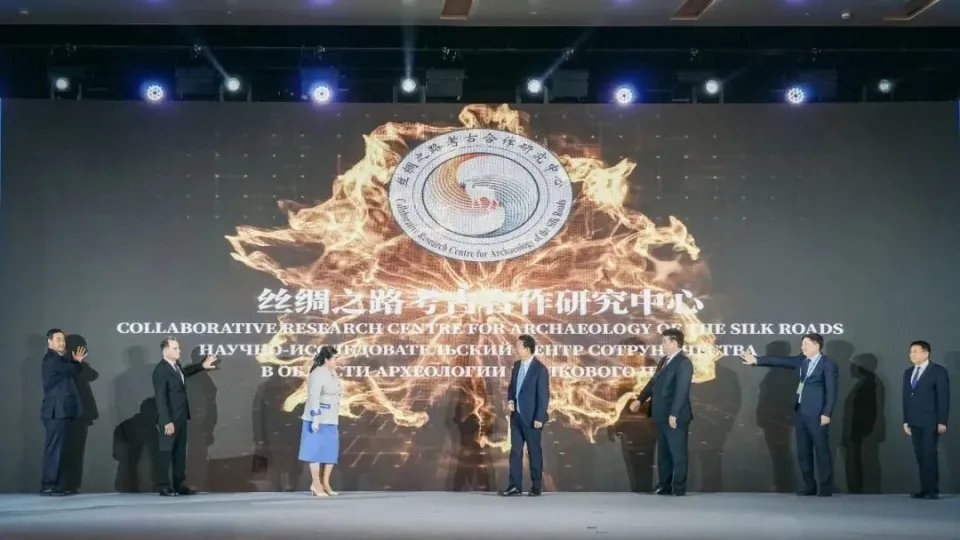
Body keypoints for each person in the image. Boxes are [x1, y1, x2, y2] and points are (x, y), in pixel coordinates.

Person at [740, 332, 837, 496]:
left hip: (817, 414)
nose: (802, 347)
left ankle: (826, 487)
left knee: (821, 451)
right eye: (802, 344)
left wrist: (827, 412)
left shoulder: (827, 364)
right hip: (800, 413)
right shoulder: (801, 361)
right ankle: (809, 486)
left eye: (806, 344)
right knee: (803, 452)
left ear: (816, 345)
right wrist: (757, 360)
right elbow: (780, 361)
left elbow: (832, 391)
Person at [629, 328, 693, 496]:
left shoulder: (683, 363)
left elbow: (681, 391)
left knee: (677, 454)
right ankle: (664, 486)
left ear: (674, 342)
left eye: (664, 341)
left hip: (674, 417)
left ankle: (678, 487)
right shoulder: (664, 361)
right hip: (660, 414)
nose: (662, 344)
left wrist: (674, 414)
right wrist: (640, 399)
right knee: (663, 453)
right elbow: (653, 383)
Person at [152, 336, 219, 496]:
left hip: (182, 416)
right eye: (175, 348)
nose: (179, 351)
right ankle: (164, 486)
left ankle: (179, 484)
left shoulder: (176, 367)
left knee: (180, 452)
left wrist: (201, 366)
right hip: (170, 419)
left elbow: (185, 373)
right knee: (166, 452)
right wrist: (166, 421)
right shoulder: (161, 370)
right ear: (166, 350)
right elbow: (161, 398)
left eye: (178, 348)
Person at [499, 334, 550, 497]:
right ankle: (514, 485)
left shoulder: (540, 369)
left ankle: (536, 486)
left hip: (532, 418)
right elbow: (512, 388)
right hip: (516, 417)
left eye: (518, 346)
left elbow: (543, 396)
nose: (516, 349)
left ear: (527, 349)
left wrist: (539, 418)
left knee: (534, 452)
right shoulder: (516, 366)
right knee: (515, 452)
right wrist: (511, 400)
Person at [40, 328, 88, 496]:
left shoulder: (60, 360)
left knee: (61, 449)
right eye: (58, 339)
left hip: (62, 411)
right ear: (50, 342)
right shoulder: (52, 359)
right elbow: (72, 370)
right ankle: (49, 485)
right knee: (55, 449)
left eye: (63, 340)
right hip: (56, 411)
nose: (62, 343)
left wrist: (75, 362)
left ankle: (58, 485)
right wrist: (77, 362)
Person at [902, 340, 949, 500]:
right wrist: (906, 420)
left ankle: (932, 490)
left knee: (929, 455)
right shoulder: (908, 372)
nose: (912, 355)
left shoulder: (938, 371)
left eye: (915, 351)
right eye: (911, 352)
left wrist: (942, 420)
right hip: (914, 420)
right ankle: (924, 489)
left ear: (926, 353)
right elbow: (906, 398)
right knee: (920, 455)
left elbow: (943, 397)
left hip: (931, 420)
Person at [299, 345, 342, 496]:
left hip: (331, 418)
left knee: (330, 451)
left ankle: (325, 483)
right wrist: (315, 419)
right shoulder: (317, 373)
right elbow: (314, 397)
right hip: (317, 419)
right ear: (326, 359)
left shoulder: (333, 373)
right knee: (315, 452)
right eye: (335, 358)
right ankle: (316, 484)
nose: (337, 361)